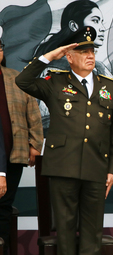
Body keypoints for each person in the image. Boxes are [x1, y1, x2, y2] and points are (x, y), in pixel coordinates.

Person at [15, 26, 113, 255]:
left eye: (92, 50)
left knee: (92, 232)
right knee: (65, 231)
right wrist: (49, 56)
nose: (90, 55)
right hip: (63, 167)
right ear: (69, 56)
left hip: (96, 168)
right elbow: (23, 81)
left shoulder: (110, 87)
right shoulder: (54, 82)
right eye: (83, 51)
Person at [34, 0, 113, 134]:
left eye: (102, 22)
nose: (102, 28)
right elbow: (45, 127)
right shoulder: (53, 70)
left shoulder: (100, 70)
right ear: (74, 26)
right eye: (95, 21)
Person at [0, 40, 43, 255]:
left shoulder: (15, 78)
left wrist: (35, 145)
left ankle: (3, 247)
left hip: (14, 153)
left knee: (4, 205)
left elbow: (33, 113)